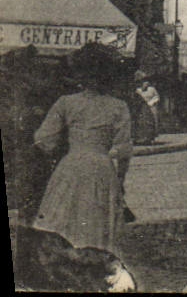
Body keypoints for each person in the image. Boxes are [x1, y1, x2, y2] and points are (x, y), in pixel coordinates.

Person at [31, 43, 134, 254]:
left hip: (71, 165)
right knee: (98, 226)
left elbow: (43, 139)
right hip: (102, 169)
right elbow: (123, 149)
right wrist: (120, 181)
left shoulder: (66, 103)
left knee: (62, 223)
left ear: (80, 73)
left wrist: (61, 152)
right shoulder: (119, 106)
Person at [132, 73, 160, 145]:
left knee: (153, 121)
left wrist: (152, 102)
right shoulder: (138, 90)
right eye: (143, 82)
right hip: (142, 108)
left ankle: (151, 137)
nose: (145, 83)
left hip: (151, 106)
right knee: (141, 122)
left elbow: (156, 97)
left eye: (146, 82)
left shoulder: (152, 89)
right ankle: (140, 138)